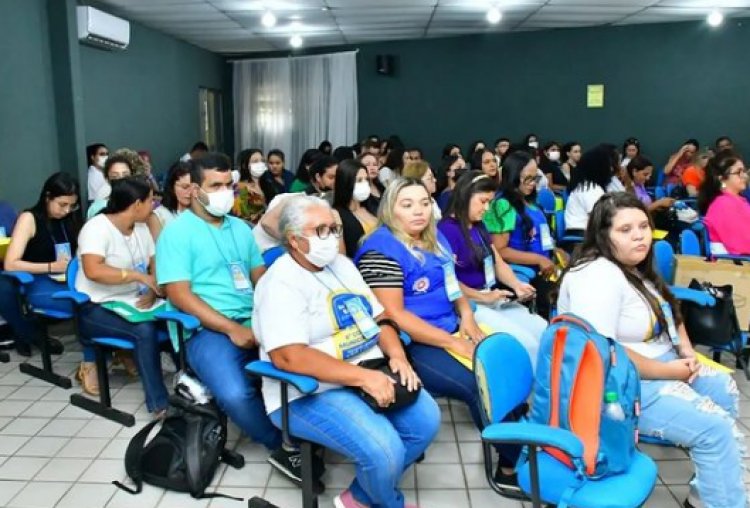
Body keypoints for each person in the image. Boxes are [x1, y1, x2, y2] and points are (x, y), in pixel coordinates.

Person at [557, 192, 747, 508]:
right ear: (603, 235)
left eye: (643, 226)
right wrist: (670, 372)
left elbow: (669, 309)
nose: (639, 235)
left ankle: (707, 492)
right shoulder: (596, 275)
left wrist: (686, 351)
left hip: (660, 362)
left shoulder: (633, 264)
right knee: (716, 429)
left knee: (724, 389)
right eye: (625, 229)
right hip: (618, 386)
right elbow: (603, 354)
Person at [254, 195, 438, 508]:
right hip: (308, 391)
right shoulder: (280, 283)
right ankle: (389, 502)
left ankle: (360, 497)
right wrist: (362, 378)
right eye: (321, 231)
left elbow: (380, 317)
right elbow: (288, 357)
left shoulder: (342, 265)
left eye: (334, 229)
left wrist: (397, 356)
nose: (332, 238)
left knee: (426, 422)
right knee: (385, 449)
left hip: (366, 368)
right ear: (294, 240)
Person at [354, 178, 522, 493]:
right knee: (478, 386)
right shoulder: (380, 249)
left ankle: (520, 435)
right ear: (390, 209)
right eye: (407, 205)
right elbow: (395, 315)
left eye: (424, 202)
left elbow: (452, 286)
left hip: (450, 326)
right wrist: (455, 342)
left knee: (501, 368)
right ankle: (512, 465)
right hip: (411, 341)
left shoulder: (434, 239)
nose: (419, 211)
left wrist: (468, 317)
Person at [156, 152, 309, 483]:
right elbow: (179, 295)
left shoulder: (240, 228)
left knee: (302, 363)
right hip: (205, 329)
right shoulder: (177, 233)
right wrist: (230, 329)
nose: (225, 192)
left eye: (229, 185)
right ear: (195, 189)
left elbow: (260, 277)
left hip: (253, 318)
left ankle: (310, 430)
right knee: (236, 393)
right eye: (215, 185)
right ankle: (283, 446)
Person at [74, 175, 169, 405]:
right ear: (137, 204)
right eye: (150, 202)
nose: (153, 207)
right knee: (144, 331)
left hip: (132, 302)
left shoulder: (140, 229)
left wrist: (153, 289)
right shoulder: (96, 228)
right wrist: (137, 276)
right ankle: (159, 404)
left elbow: (155, 261)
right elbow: (93, 271)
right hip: (95, 307)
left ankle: (193, 391)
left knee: (179, 317)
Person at [438, 171, 546, 366]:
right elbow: (448, 282)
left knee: (542, 329)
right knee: (525, 343)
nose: (487, 208)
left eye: (489, 202)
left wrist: (517, 285)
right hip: (470, 303)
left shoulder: (478, 226)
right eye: (482, 201)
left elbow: (497, 261)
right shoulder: (445, 231)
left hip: (491, 296)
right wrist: (483, 297)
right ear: (465, 196)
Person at [2, 172, 80, 356]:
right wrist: (51, 266)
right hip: (38, 281)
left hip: (67, 278)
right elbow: (10, 264)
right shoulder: (29, 219)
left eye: (72, 205)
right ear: (47, 197)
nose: (67, 210)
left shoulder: (68, 220)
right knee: (83, 304)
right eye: (62, 204)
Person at [484, 152, 559, 319]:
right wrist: (539, 260)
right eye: (527, 178)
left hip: (543, 271)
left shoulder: (531, 201)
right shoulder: (503, 204)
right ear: (514, 176)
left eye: (535, 178)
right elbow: (500, 250)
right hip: (522, 276)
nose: (532, 183)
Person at [698, 151, 750, 255]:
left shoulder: (738, 200)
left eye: (744, 171)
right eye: (738, 172)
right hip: (736, 267)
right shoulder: (724, 205)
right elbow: (742, 247)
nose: (744, 176)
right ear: (721, 179)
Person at [564, 144, 617, 234]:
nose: (611, 169)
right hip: (581, 237)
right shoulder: (589, 190)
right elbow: (599, 219)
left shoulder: (591, 187)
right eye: (608, 166)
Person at [333, 159, 378, 258]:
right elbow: (341, 256)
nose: (365, 184)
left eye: (366, 179)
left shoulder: (373, 206)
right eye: (359, 180)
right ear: (346, 182)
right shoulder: (336, 214)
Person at [147, 161, 192, 240]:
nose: (189, 192)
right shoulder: (159, 216)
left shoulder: (200, 213)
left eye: (193, 187)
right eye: (184, 187)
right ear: (172, 187)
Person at [86, 154, 133, 219]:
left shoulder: (140, 204)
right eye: (115, 176)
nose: (121, 179)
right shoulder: (97, 208)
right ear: (107, 179)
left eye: (125, 175)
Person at [233, 149, 267, 224]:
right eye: (255, 161)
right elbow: (239, 215)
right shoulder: (240, 187)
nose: (260, 164)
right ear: (245, 165)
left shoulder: (267, 183)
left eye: (262, 161)